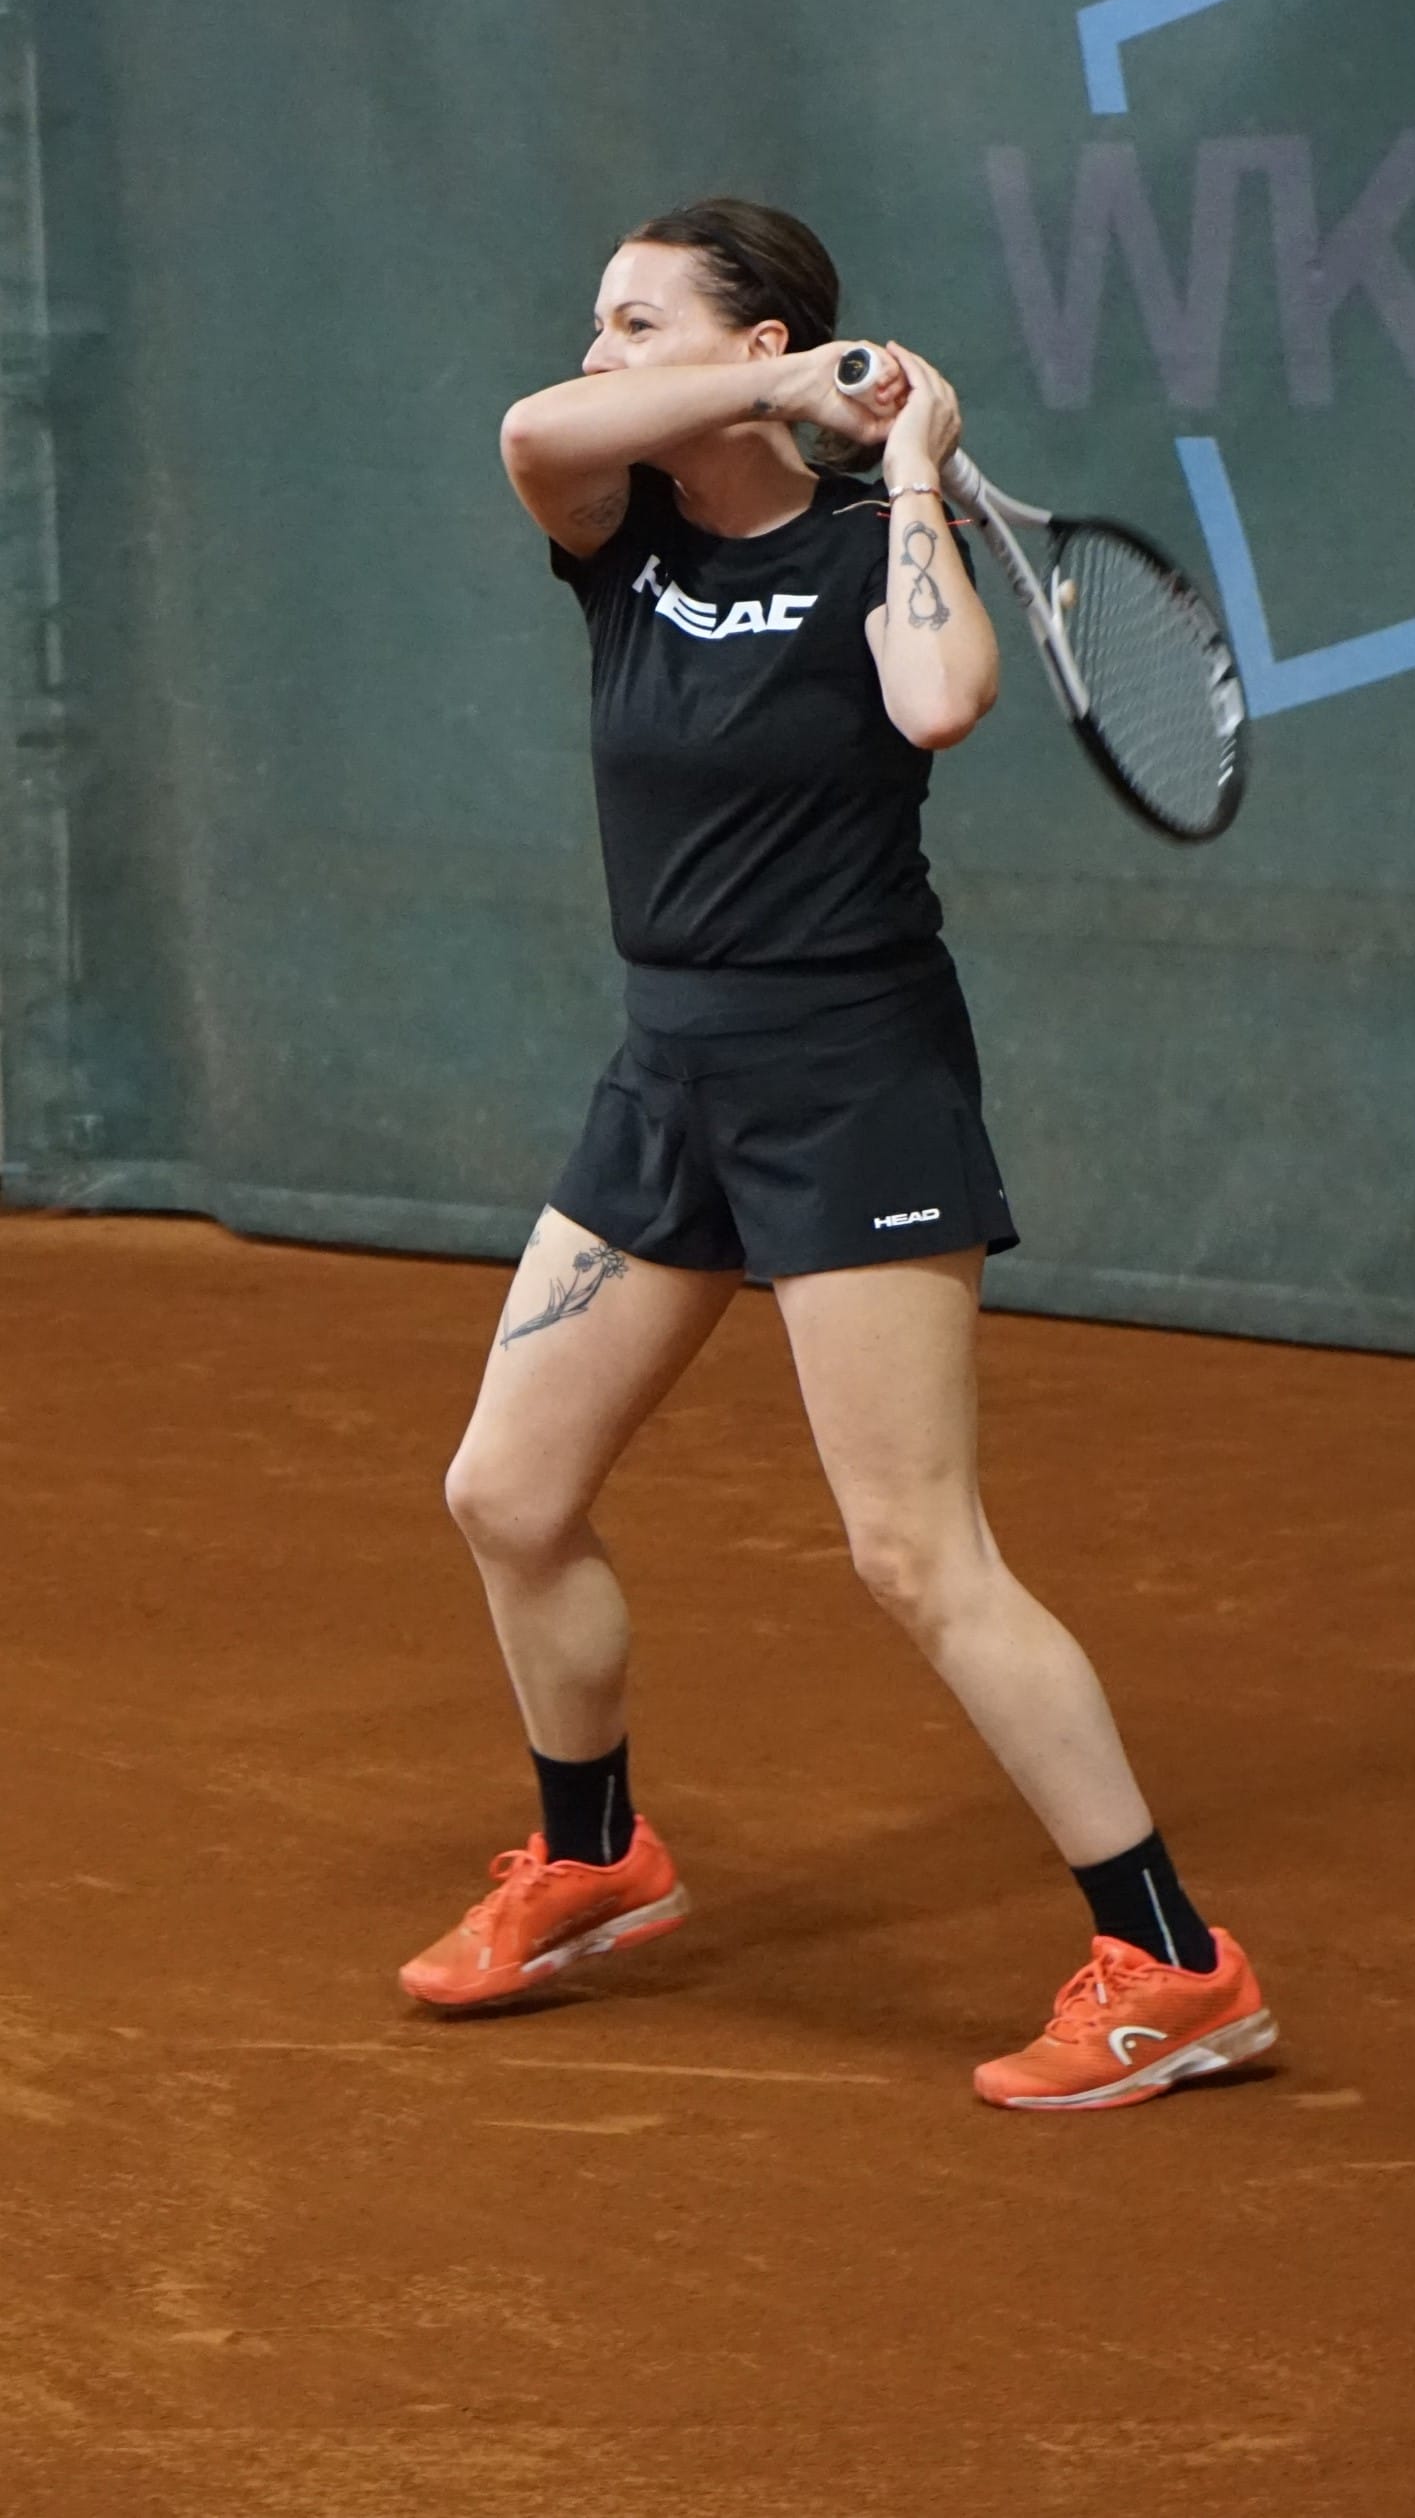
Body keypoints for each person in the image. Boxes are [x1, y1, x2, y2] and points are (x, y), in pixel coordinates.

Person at [398, 198, 1277, 2112]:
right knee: (507, 1492)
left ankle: (1172, 1960)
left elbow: (939, 701)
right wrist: (790, 385)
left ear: (756, 336)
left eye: (638, 322)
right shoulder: (617, 539)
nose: (601, 353)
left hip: (848, 1081)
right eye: (601, 320)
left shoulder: (879, 541)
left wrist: (914, 472)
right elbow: (532, 432)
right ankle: (596, 1854)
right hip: (669, 1080)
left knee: (912, 1549)